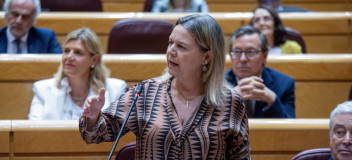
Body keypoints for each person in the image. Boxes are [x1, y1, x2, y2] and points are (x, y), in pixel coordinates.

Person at [79, 14, 250, 159]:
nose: (171, 51)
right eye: (170, 43)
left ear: (206, 57)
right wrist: (93, 117)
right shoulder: (146, 92)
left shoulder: (230, 103)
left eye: (181, 46)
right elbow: (98, 133)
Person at [28, 28, 127, 120]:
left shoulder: (116, 90)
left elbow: (123, 133)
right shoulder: (42, 90)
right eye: (66, 51)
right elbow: (34, 133)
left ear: (94, 60)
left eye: (78, 53)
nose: (69, 57)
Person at [225, 25, 295, 118]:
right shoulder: (213, 83)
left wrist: (272, 99)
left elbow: (292, 129)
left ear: (265, 55)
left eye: (250, 52)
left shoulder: (284, 84)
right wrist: (227, 101)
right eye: (237, 52)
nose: (243, 59)